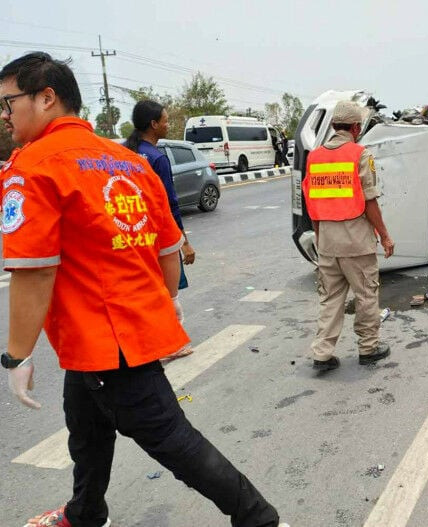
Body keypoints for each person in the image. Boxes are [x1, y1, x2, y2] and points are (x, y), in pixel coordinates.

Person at [0, 52, 282, 527]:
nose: (4, 116)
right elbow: (169, 250)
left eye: (8, 103)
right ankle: (85, 512)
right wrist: (162, 306)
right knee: (86, 430)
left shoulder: (33, 168)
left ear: (46, 98)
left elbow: (33, 270)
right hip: (108, 337)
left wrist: (17, 355)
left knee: (175, 441)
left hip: (108, 343)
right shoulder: (128, 161)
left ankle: (259, 519)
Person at [302, 101, 394, 371]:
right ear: (355, 127)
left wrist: (320, 238)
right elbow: (369, 201)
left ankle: (322, 352)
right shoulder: (360, 154)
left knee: (331, 299)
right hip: (355, 241)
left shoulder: (314, 156)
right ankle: (368, 348)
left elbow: (312, 205)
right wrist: (385, 236)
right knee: (366, 295)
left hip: (327, 241)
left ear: (333, 126)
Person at [124, 100, 195, 361]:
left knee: (143, 292)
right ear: (154, 125)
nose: (168, 124)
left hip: (131, 235)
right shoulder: (156, 159)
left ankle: (141, 343)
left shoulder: (125, 155)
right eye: (165, 120)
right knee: (168, 293)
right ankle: (171, 343)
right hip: (159, 237)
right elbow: (170, 204)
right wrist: (184, 242)